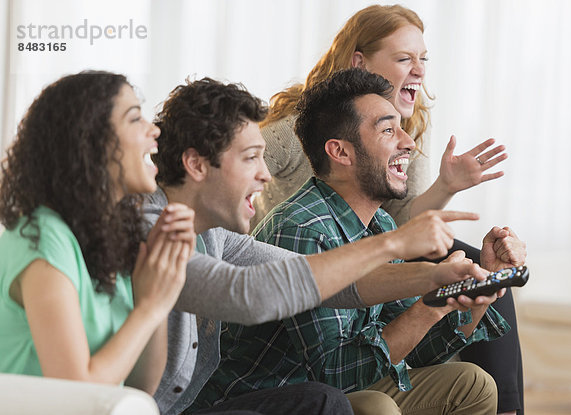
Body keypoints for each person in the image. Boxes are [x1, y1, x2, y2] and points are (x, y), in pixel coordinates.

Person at [143, 76, 495, 415]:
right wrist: (395, 244)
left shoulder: (214, 235)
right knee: (333, 401)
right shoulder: (150, 229)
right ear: (195, 164)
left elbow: (329, 284)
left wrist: (438, 282)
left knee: (470, 384)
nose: (265, 175)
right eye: (251, 158)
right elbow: (248, 293)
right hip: (205, 402)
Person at [254, 5, 523, 414]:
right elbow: (333, 376)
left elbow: (413, 341)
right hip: (291, 386)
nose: (409, 142)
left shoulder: (378, 219)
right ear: (339, 151)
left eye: (423, 59)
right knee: (378, 403)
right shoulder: (301, 215)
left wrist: (475, 294)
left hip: (362, 284)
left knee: (472, 382)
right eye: (404, 58)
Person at [0, 71, 195, 395]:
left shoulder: (106, 237)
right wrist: (148, 309)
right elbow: (76, 393)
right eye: (135, 119)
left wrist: (158, 294)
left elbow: (140, 385)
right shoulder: (43, 238)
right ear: (89, 141)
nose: (154, 129)